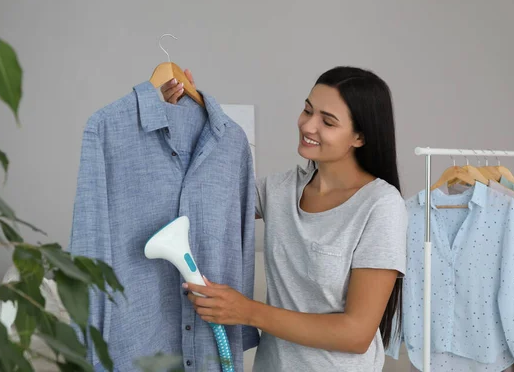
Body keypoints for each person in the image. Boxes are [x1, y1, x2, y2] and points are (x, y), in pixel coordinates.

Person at [161, 66, 407, 372]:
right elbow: (200, 195)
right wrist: (182, 116)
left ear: (359, 137)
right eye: (307, 110)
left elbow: (356, 334)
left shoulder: (380, 206)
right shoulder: (278, 190)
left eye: (327, 121)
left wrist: (248, 312)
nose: (308, 125)